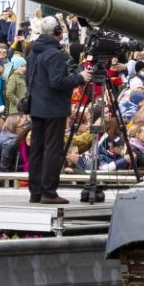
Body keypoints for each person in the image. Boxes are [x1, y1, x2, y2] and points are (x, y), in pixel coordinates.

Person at [25, 15, 89, 205]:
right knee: (53, 149)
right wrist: (80, 78)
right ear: (57, 33)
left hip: (36, 107)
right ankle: (49, 192)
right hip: (53, 109)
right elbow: (58, 82)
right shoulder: (54, 54)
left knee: (37, 149)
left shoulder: (33, 52)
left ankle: (35, 191)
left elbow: (30, 80)